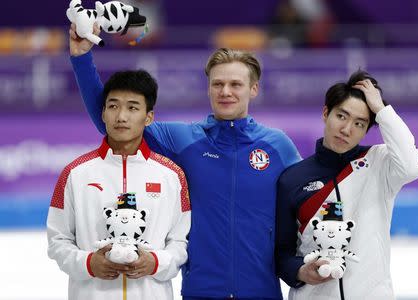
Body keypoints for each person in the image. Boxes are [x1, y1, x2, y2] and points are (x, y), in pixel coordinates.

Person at [69, 25, 301, 299]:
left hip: (262, 292)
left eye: (235, 84)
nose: (225, 91)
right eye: (217, 84)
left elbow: (310, 198)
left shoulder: (277, 145)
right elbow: (114, 121)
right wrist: (82, 57)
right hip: (200, 292)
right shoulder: (184, 139)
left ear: (253, 89)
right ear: (208, 89)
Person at [275, 70, 418, 299]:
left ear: (367, 130)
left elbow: (412, 166)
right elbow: (282, 255)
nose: (346, 129)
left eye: (359, 123)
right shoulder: (292, 179)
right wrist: (301, 272)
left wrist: (382, 110)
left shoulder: (380, 163)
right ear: (326, 113)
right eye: (341, 116)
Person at [47, 69, 191, 300]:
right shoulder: (75, 173)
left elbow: (180, 242)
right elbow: (58, 240)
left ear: (149, 117)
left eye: (133, 108)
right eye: (113, 106)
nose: (121, 116)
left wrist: (155, 262)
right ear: (103, 113)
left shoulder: (172, 176)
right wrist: (88, 263)